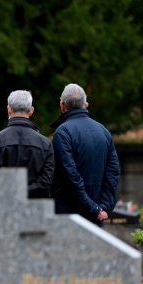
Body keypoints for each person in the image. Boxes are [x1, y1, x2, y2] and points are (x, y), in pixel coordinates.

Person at [50, 83, 120, 225]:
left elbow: (70, 175)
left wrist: (94, 208)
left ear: (62, 106)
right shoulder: (104, 131)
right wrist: (102, 207)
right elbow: (113, 172)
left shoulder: (62, 133)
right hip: (96, 216)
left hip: (69, 215)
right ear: (86, 105)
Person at [0, 90, 54, 198]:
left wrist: (13, 192)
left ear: (9, 109)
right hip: (37, 207)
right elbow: (46, 181)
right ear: (31, 111)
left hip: (5, 203)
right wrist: (25, 191)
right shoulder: (46, 143)